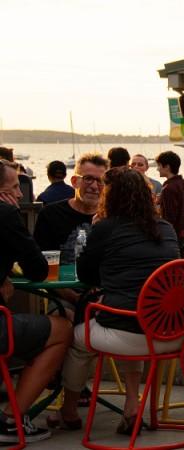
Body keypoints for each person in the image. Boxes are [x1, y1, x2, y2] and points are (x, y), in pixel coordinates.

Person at [49, 167, 180, 434]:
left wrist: (98, 234)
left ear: (111, 196)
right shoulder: (166, 229)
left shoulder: (106, 228)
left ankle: (70, 410)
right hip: (171, 332)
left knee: (77, 339)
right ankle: (132, 406)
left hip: (130, 330)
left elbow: (86, 275)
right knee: (130, 315)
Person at [0, 159, 72, 444]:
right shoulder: (5, 214)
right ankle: (10, 420)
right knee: (63, 328)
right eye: (15, 187)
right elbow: (39, 270)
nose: (20, 194)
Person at [34, 153, 108, 266]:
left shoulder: (111, 217)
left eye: (100, 181)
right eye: (88, 179)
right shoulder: (50, 214)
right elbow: (39, 260)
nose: (94, 186)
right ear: (74, 182)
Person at [156, 151, 184, 252]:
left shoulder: (168, 189)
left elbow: (169, 218)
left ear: (167, 167)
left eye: (159, 166)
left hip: (175, 236)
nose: (157, 169)